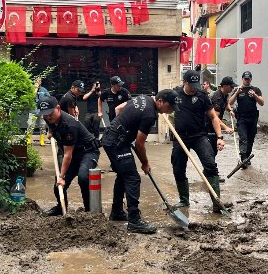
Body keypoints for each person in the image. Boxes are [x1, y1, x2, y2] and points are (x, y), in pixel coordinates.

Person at [101, 90, 177, 234]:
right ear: (160, 101)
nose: (170, 110)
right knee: (132, 178)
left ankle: (117, 212)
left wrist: (122, 127)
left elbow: (118, 109)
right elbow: (139, 144)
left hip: (111, 138)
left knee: (123, 176)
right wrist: (145, 163)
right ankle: (134, 221)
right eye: (170, 107)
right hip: (116, 142)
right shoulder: (150, 114)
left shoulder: (143, 97)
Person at [171, 70, 227, 212]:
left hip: (199, 136)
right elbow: (160, 102)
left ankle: (216, 203)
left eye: (197, 85)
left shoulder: (202, 96)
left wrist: (220, 137)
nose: (194, 88)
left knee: (210, 164)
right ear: (184, 82)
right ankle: (184, 200)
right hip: (180, 137)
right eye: (192, 85)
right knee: (178, 167)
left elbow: (214, 117)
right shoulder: (175, 94)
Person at [38, 96, 101, 216]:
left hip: (87, 152)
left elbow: (67, 154)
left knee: (83, 177)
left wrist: (62, 176)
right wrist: (51, 132)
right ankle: (61, 208)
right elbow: (52, 127)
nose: (48, 117)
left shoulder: (69, 125)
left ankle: (89, 212)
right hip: (73, 153)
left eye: (50, 113)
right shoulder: (49, 118)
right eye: (45, 114)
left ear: (58, 108)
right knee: (58, 186)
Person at [228, 71, 264, 168]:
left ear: (251, 79)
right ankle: (243, 157)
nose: (246, 80)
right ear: (242, 79)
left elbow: (262, 103)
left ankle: (247, 157)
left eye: (248, 79)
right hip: (241, 118)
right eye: (245, 78)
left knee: (250, 139)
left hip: (252, 118)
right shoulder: (238, 89)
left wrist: (255, 95)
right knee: (243, 138)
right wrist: (236, 93)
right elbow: (230, 102)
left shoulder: (255, 89)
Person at [207, 76, 236, 160]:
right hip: (210, 128)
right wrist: (226, 128)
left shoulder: (224, 95)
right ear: (225, 86)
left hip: (215, 127)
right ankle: (209, 170)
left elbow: (226, 104)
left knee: (215, 150)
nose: (232, 88)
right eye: (231, 86)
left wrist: (230, 110)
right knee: (211, 151)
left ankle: (210, 168)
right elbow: (214, 117)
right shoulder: (217, 97)